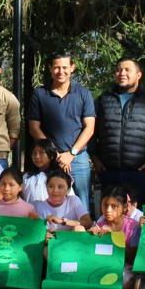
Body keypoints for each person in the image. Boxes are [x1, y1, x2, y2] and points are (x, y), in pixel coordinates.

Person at [92, 58, 145, 209]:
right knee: (110, 219)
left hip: (140, 172)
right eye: (119, 70)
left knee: (137, 220)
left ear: (139, 75)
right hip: (109, 171)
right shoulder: (103, 100)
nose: (122, 73)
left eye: (127, 70)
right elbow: (91, 130)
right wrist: (94, 158)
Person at [26, 51, 96, 209]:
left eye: (65, 67)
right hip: (50, 158)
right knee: (48, 200)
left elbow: (89, 128)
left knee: (81, 203)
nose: (61, 71)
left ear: (72, 68)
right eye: (56, 67)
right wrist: (55, 154)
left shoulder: (83, 94)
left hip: (78, 158)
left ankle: (79, 234)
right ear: (50, 69)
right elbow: (33, 127)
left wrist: (71, 154)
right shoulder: (40, 94)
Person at [89, 187, 141, 289]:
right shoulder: (99, 223)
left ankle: (139, 280)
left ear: (125, 207)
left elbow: (133, 259)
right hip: (104, 264)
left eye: (114, 206)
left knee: (124, 280)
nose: (108, 210)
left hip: (124, 265)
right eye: (105, 205)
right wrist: (91, 237)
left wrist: (114, 238)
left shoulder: (133, 227)